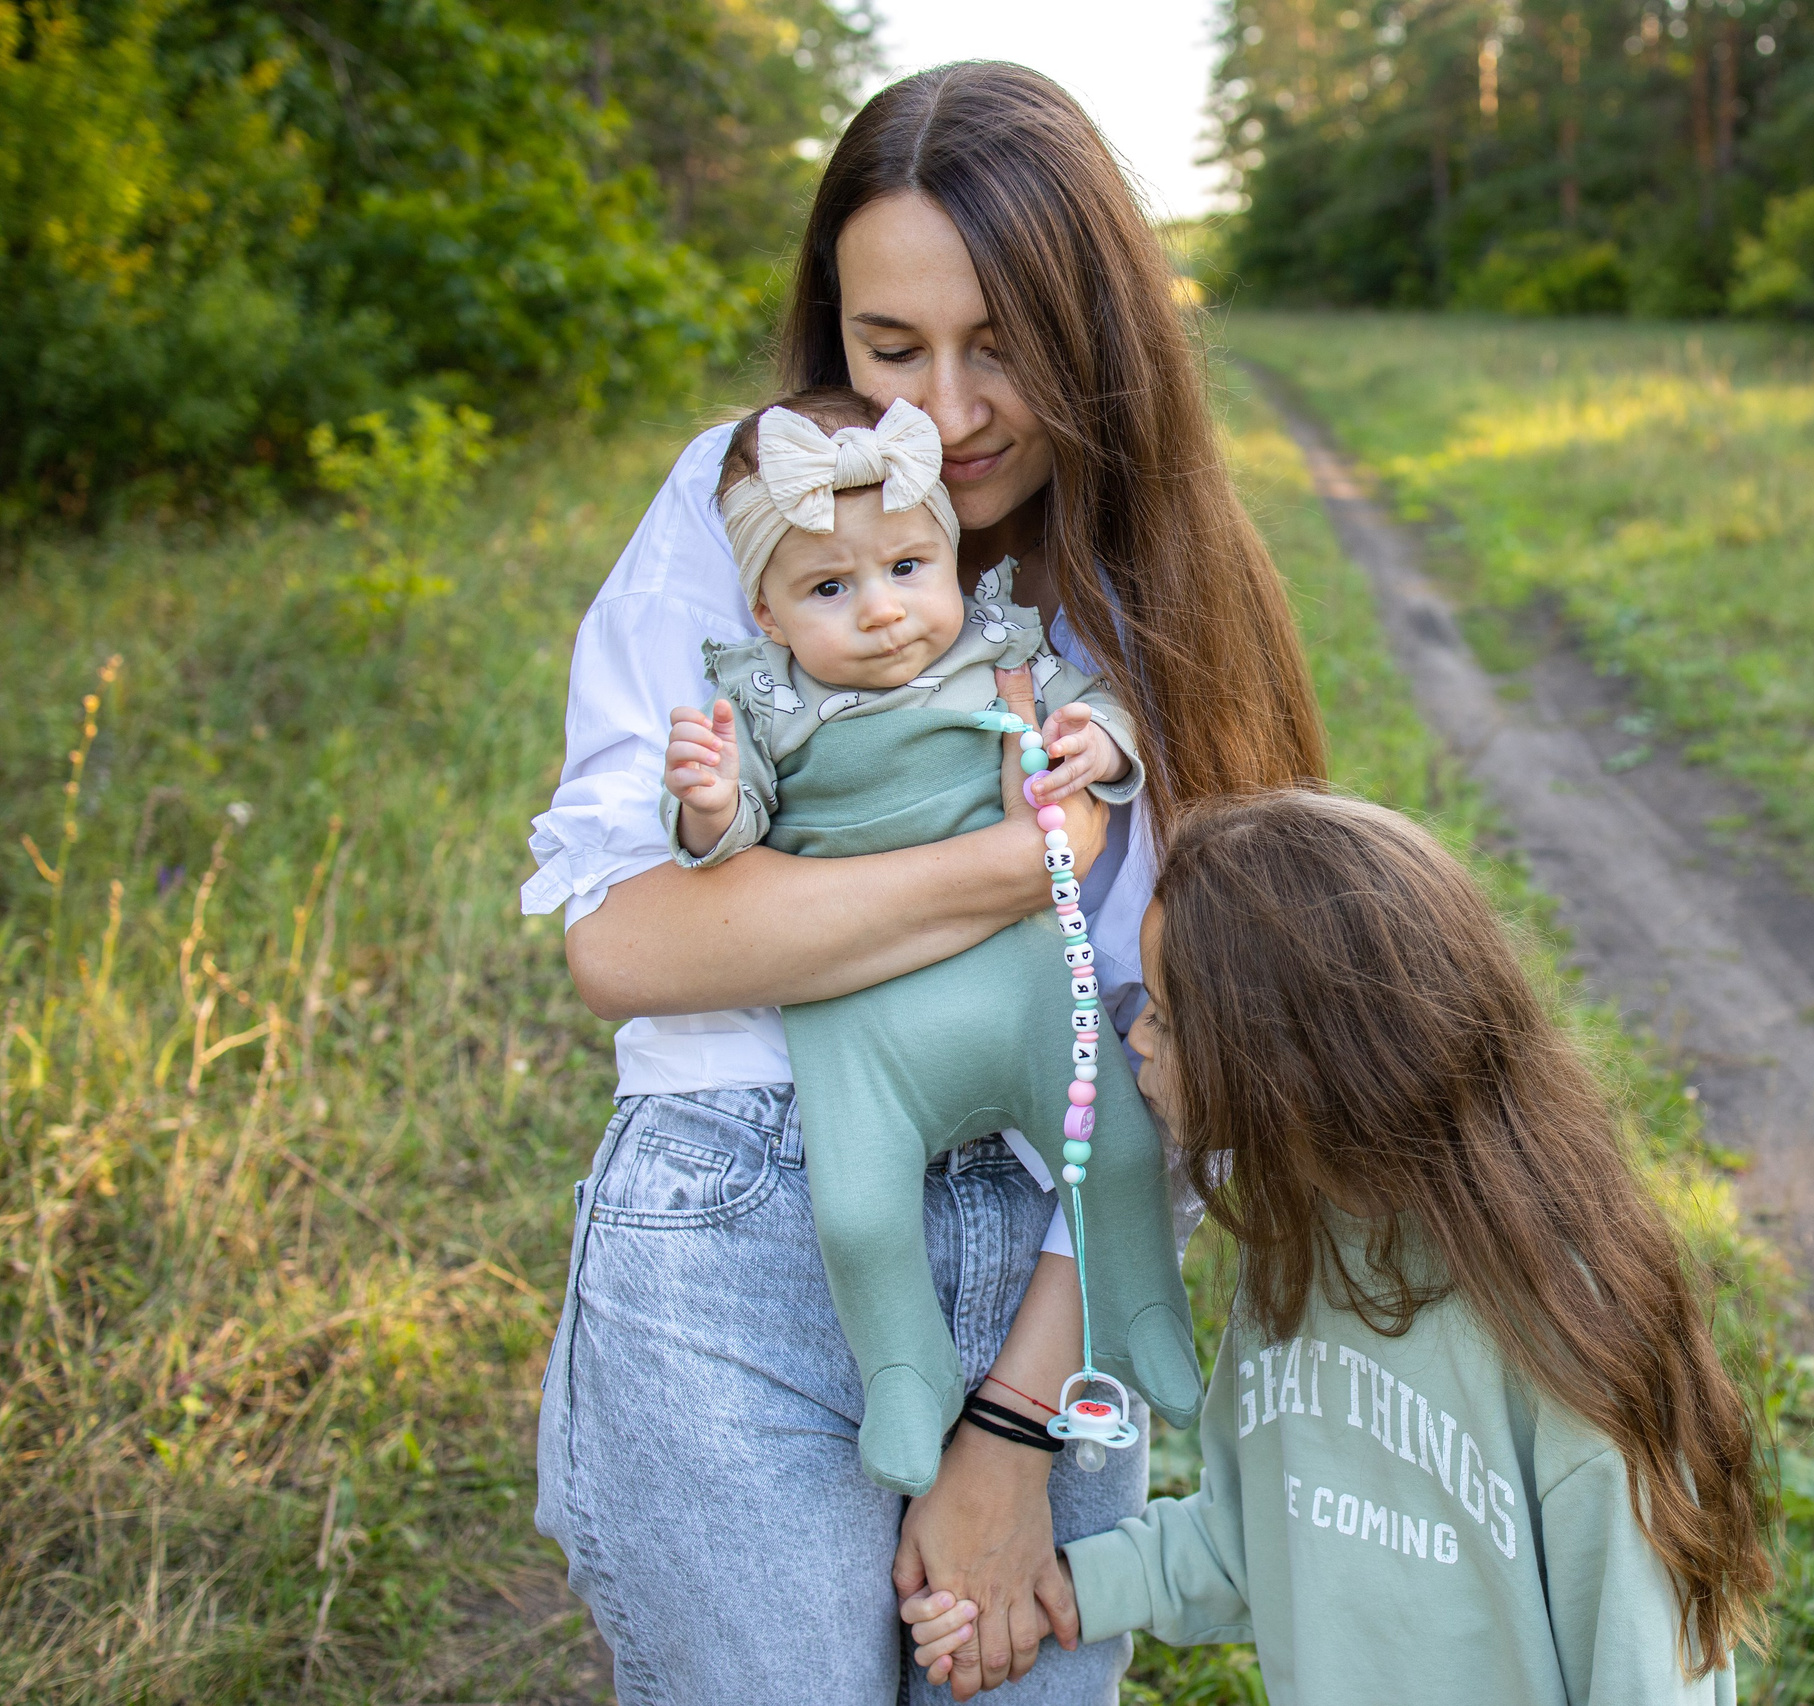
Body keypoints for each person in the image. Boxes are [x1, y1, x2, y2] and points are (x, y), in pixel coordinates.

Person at [520, 61, 1323, 1706]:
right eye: (892, 348)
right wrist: (1014, 865)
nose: (946, 417)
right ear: (831, 327)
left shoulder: (1167, 595)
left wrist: (1018, 1429)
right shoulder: (751, 501)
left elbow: (1197, 1057)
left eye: (1001, 345)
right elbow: (630, 942)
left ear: (1095, 329)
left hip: (1066, 1248)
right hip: (742, 1222)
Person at [906, 791, 1774, 1704]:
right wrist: (1057, 1590)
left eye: (1164, 1014)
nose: (1134, 1039)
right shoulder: (1298, 1251)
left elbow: (1642, 1670)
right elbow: (1259, 1537)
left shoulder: (1569, 1342)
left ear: (1285, 1056)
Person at [660, 391, 1198, 1497]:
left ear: (950, 559)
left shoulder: (998, 649)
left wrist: (1096, 743)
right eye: (829, 588)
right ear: (767, 612)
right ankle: (904, 1372)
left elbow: (1095, 707)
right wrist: (709, 804)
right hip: (859, 1013)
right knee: (859, 1214)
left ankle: (1145, 1312)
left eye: (908, 567)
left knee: (1119, 1152)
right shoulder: (762, 700)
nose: (882, 611)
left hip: (1023, 979)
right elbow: (733, 832)